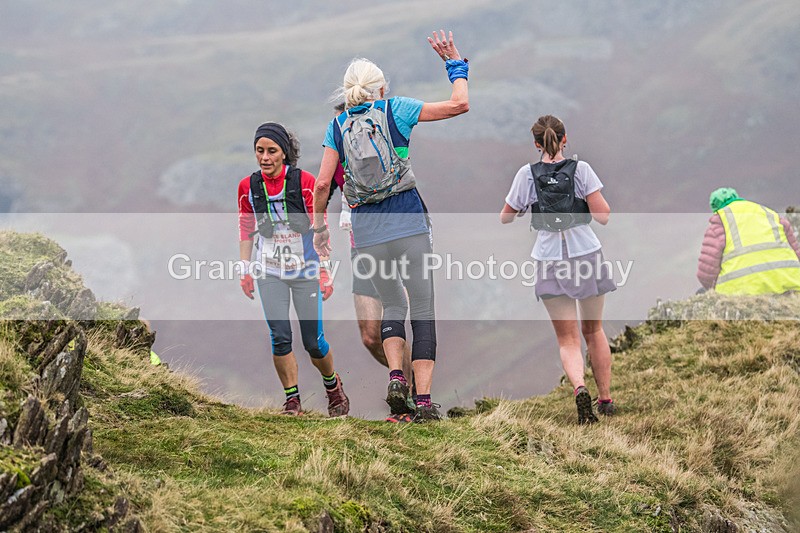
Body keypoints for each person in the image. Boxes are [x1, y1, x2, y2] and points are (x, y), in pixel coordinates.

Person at [312, 30, 470, 422]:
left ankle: (396, 376)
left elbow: (320, 185)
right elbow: (459, 105)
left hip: (367, 233)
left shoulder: (336, 128)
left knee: (393, 305)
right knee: (422, 306)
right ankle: (422, 401)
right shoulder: (395, 109)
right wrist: (456, 64)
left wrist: (320, 230)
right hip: (409, 222)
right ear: (380, 87)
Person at [500, 115, 615, 425]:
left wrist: (527, 207)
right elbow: (603, 216)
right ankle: (605, 399)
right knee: (594, 330)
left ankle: (580, 387)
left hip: (549, 258)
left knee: (568, 340)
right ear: (565, 139)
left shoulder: (527, 175)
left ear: (537, 144)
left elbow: (505, 217)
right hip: (586, 254)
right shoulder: (582, 170)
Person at [237, 122, 349, 417]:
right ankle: (292, 400)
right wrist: (245, 269)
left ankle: (332, 387)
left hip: (305, 270)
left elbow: (320, 232)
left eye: (272, 151)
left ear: (284, 153)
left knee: (313, 342)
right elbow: (246, 230)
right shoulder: (248, 187)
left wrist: (325, 273)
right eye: (259, 151)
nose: (265, 157)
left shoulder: (305, 182)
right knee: (281, 336)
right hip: (269, 271)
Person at [697, 188, 800, 294]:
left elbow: (706, 273)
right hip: (789, 284)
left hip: (742, 292)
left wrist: (713, 289)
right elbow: (796, 253)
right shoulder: (769, 213)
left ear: (715, 208)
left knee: (700, 292)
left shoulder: (719, 223)